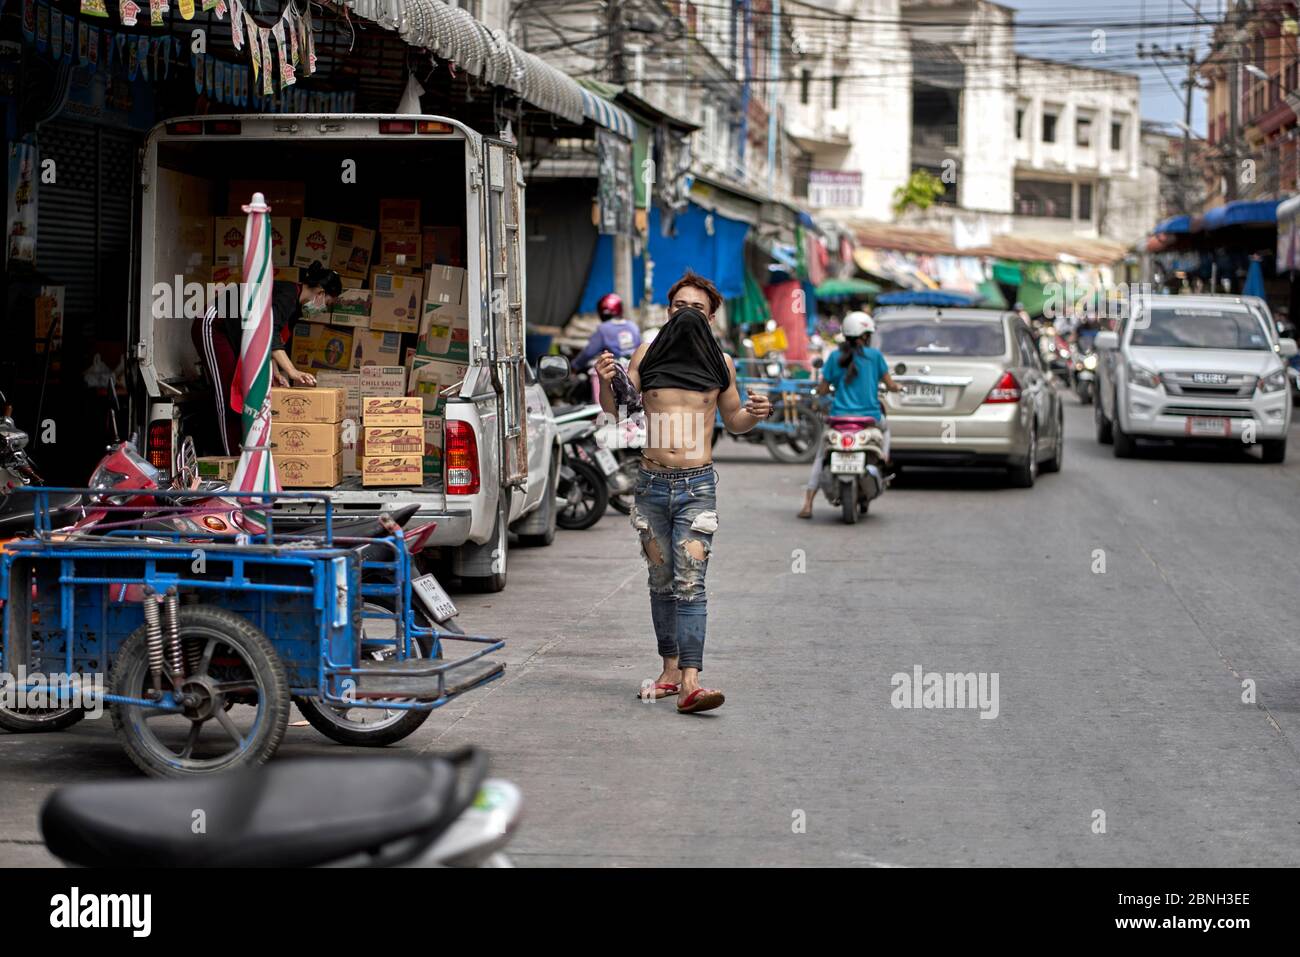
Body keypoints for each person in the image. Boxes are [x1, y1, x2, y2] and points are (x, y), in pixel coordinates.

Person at [594, 271, 772, 714]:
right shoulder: (646, 353)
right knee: (660, 583)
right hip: (651, 483)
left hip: (696, 486)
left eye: (697, 309)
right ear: (667, 312)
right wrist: (604, 379)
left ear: (710, 317)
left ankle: (693, 680)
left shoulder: (721, 364)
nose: (687, 315)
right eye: (679, 307)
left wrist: (756, 413)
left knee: (690, 583)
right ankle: (670, 671)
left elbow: (734, 421)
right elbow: (619, 407)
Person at [192, 261, 341, 454]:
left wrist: (277, 372)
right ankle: (231, 459)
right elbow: (269, 332)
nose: (323, 309)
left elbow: (272, 341)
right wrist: (292, 371)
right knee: (227, 394)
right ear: (320, 292)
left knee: (243, 394)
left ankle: (242, 453)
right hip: (214, 324)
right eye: (327, 304)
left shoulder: (295, 307)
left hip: (234, 334)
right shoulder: (287, 295)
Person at [798, 311, 900, 519]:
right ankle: (883, 459)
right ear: (865, 336)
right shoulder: (875, 356)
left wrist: (823, 391)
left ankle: (808, 503)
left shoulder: (835, 357)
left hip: (839, 419)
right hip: (869, 419)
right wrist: (897, 387)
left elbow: (823, 388)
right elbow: (890, 384)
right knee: (886, 431)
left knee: (821, 455)